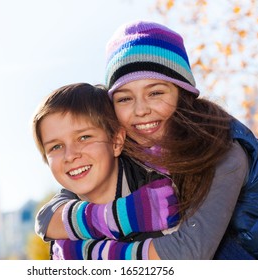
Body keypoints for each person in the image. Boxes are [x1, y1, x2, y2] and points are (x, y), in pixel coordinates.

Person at [35, 21, 258, 259]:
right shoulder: (122, 146)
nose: (140, 110)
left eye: (156, 93)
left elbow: (188, 254)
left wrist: (83, 253)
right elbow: (48, 218)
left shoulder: (223, 149)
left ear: (182, 95)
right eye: (125, 98)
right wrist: (122, 215)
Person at [32, 82, 180, 259]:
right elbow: (43, 220)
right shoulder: (63, 213)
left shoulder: (158, 193)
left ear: (116, 142)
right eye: (56, 147)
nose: (70, 156)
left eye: (84, 137)